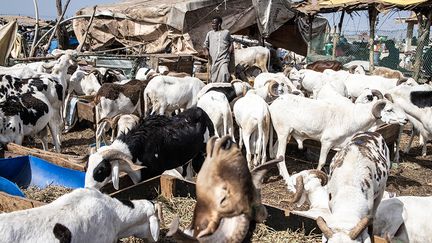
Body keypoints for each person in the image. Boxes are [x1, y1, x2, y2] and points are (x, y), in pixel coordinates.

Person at [203, 16, 234, 83]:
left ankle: (224, 88)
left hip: (224, 58)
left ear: (219, 24)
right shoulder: (209, 34)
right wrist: (206, 51)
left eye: (214, 23)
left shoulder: (226, 32)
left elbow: (231, 42)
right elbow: (205, 45)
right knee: (213, 77)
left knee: (224, 72)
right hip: (213, 59)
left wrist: (231, 48)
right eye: (212, 23)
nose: (212, 25)